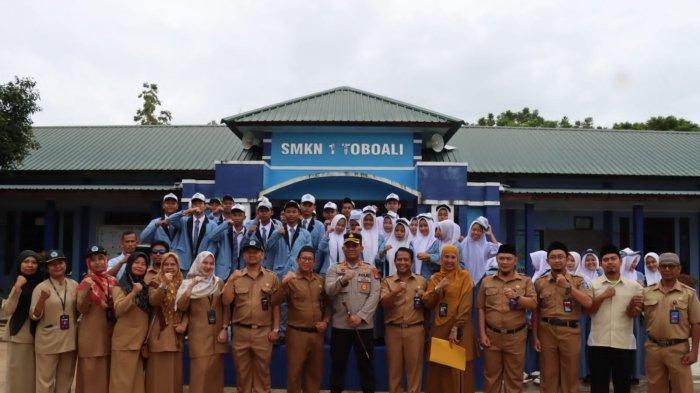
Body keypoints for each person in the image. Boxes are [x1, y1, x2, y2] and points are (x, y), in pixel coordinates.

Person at [532, 241, 593, 393]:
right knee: (548, 375)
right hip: (547, 331)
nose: (557, 260)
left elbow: (588, 302)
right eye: (553, 257)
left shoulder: (579, 280)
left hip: (570, 331)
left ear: (567, 259)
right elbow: (536, 310)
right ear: (547, 261)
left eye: (561, 257)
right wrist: (535, 336)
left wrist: (568, 286)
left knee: (570, 375)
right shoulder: (540, 282)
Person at [325, 233, 381, 393]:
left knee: (366, 366)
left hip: (363, 327)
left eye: (354, 245)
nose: (351, 248)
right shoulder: (334, 269)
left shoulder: (370, 269)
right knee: (337, 367)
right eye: (348, 245)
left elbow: (375, 295)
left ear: (361, 247)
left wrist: (361, 316)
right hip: (341, 326)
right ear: (343, 248)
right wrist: (343, 279)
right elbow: (329, 291)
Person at [223, 239, 281, 393]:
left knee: (263, 373)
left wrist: (276, 329)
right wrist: (230, 280)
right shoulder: (236, 276)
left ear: (262, 255)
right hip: (240, 332)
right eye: (248, 251)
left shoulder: (272, 277)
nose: (252, 255)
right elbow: (226, 301)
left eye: (255, 251)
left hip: (263, 332)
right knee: (242, 374)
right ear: (243, 255)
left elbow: (275, 305)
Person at [478, 244, 537, 393]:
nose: (504, 262)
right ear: (497, 260)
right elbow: (481, 308)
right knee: (491, 377)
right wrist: (483, 334)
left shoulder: (525, 281)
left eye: (508, 258)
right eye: (501, 258)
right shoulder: (487, 281)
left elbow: (534, 304)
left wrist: (517, 297)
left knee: (514, 378)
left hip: (516, 337)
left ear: (515, 260)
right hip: (492, 336)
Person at [585, 244, 643, 393]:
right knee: (598, 386)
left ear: (620, 261)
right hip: (598, 343)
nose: (610, 262)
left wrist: (631, 306)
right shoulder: (593, 285)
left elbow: (634, 314)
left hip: (623, 343)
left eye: (613, 258)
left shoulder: (634, 287)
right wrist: (602, 296)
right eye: (606, 259)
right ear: (601, 263)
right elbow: (587, 311)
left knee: (623, 386)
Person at [272, 246, 331, 393]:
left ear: (314, 262)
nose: (306, 261)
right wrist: (283, 283)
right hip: (296, 334)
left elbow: (328, 306)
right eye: (303, 258)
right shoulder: (291, 279)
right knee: (294, 374)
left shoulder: (320, 281)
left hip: (317, 335)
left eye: (310, 259)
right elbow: (274, 301)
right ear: (298, 260)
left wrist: (325, 321)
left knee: (314, 374)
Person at [641, 252, 700, 393]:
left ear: (678, 269)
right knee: (655, 388)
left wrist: (694, 351)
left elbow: (696, 323)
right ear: (659, 268)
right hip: (654, 348)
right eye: (663, 266)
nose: (667, 269)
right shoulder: (647, 292)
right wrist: (632, 304)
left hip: (678, 349)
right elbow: (633, 313)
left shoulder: (689, 293)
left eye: (671, 266)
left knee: (683, 389)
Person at [422, 244, 478, 392]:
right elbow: (428, 302)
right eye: (446, 257)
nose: (449, 260)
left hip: (460, 329)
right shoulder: (435, 278)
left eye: (453, 257)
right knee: (440, 367)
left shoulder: (464, 276)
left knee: (458, 367)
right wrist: (437, 288)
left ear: (458, 259)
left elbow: (466, 303)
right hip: (440, 328)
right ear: (441, 259)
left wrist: (456, 327)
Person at [176, 251, 229, 393]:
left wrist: (225, 328)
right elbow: (181, 307)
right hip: (199, 336)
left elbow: (226, 308)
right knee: (199, 375)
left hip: (217, 336)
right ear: (198, 264)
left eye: (211, 263)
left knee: (215, 375)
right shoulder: (187, 283)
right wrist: (191, 287)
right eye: (205, 263)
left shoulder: (219, 282)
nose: (208, 266)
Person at [380, 247, 427, 393]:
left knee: (414, 371)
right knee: (395, 372)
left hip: (415, 330)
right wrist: (395, 291)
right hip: (393, 330)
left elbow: (429, 305)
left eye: (406, 259)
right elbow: (384, 304)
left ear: (412, 262)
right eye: (399, 259)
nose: (402, 262)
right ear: (394, 262)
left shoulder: (422, 280)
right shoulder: (387, 281)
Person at [30, 250, 78, 393]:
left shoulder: (74, 284)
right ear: (47, 268)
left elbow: (80, 309)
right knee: (45, 381)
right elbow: (34, 316)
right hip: (47, 340)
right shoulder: (41, 287)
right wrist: (42, 300)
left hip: (69, 339)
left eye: (60, 263)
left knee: (66, 380)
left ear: (65, 264)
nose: (57, 267)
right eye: (52, 264)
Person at [76, 246, 117, 393]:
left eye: (101, 258)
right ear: (88, 263)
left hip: (109, 333)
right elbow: (81, 308)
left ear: (106, 261)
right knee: (91, 374)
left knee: (107, 372)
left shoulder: (113, 281)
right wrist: (87, 291)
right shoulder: (85, 282)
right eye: (92, 260)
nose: (97, 262)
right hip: (91, 336)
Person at [109, 252, 151, 393]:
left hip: (140, 343)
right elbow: (119, 310)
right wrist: (133, 293)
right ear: (129, 264)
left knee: (137, 384)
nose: (140, 266)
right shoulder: (119, 286)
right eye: (136, 262)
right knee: (122, 384)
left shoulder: (145, 287)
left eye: (143, 264)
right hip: (125, 343)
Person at [146, 252, 187, 393]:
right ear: (161, 266)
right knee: (158, 371)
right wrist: (164, 285)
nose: (170, 267)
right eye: (166, 264)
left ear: (178, 266)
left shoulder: (183, 283)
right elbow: (153, 301)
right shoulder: (155, 281)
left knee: (174, 371)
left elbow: (188, 309)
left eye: (173, 264)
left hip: (176, 332)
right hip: (159, 330)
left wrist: (184, 324)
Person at [3, 250, 42, 393]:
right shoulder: (14, 281)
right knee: (18, 374)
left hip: (42, 333)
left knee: (36, 374)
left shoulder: (43, 282)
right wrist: (17, 287)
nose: (30, 265)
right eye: (26, 262)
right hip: (20, 333)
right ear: (19, 264)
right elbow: (7, 310)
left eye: (34, 262)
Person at [166, 193, 230, 272]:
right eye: (195, 204)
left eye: (200, 203)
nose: (197, 206)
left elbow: (214, 243)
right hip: (183, 264)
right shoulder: (184, 221)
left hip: (202, 265)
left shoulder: (212, 224)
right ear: (191, 206)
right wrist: (187, 211)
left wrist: (206, 260)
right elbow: (170, 219)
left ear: (205, 206)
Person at [575, 248, 602, 381]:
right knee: (584, 342)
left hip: (599, 314)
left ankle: (597, 372)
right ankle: (585, 372)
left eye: (593, 260)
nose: (590, 262)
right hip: (583, 316)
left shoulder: (602, 274)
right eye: (587, 260)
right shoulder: (579, 276)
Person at [241, 197, 282, 269]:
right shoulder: (251, 228)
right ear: (258, 212)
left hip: (273, 267)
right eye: (261, 211)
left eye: (266, 211)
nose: (264, 213)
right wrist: (249, 234)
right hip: (255, 267)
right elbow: (242, 246)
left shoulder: (278, 228)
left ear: (271, 212)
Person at [210, 203, 247, 277]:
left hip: (242, 271)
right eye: (234, 215)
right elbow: (211, 237)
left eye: (240, 215)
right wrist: (225, 223)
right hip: (224, 272)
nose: (237, 217)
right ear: (231, 216)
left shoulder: (248, 233)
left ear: (244, 217)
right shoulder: (224, 230)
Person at [460, 216, 499, 285]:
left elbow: (497, 250)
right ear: (470, 230)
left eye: (479, 231)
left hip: (481, 278)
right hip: (463, 278)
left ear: (483, 232)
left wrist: (490, 234)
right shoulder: (464, 244)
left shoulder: (486, 246)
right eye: (474, 229)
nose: (476, 232)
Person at [412, 214, 440, 278]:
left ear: (430, 226)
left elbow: (440, 257)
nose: (423, 228)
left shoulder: (436, 241)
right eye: (420, 226)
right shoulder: (414, 241)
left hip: (429, 277)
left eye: (425, 225)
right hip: (415, 276)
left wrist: (429, 257)